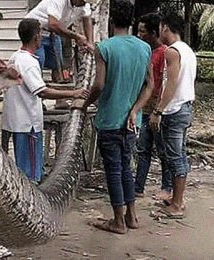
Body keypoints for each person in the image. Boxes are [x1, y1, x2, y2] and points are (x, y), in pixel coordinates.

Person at [74, 0, 152, 234]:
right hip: (131, 121)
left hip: (109, 119)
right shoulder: (144, 48)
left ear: (110, 21)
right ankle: (132, 216)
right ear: (132, 22)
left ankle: (118, 220)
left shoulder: (105, 48)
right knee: (126, 168)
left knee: (114, 170)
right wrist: (136, 109)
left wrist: (87, 102)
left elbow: (99, 84)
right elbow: (150, 86)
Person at [1, 18, 88, 183]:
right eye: (41, 34)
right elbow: (42, 92)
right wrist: (74, 93)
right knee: (31, 173)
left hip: (16, 120)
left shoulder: (15, 57)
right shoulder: (28, 62)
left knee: (23, 167)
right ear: (36, 37)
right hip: (28, 122)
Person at [149, 13, 196, 218]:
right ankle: (176, 199)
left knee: (175, 156)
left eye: (160, 27)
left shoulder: (172, 52)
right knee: (178, 154)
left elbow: (172, 83)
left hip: (175, 109)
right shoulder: (187, 50)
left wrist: (158, 110)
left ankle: (177, 204)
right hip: (184, 106)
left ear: (165, 27)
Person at [133, 13, 172, 199]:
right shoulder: (144, 50)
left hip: (157, 110)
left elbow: (165, 82)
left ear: (153, 33)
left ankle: (167, 187)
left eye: (143, 31)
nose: (139, 34)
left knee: (162, 150)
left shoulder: (164, 53)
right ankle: (138, 187)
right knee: (143, 149)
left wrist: (159, 109)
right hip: (145, 108)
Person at [25, 0, 96, 83]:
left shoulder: (84, 5)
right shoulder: (59, 1)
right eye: (82, 1)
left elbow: (87, 19)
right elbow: (53, 24)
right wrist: (76, 37)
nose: (83, 4)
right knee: (39, 60)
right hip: (35, 32)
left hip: (53, 33)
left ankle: (57, 86)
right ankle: (36, 87)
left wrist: (90, 42)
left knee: (57, 63)